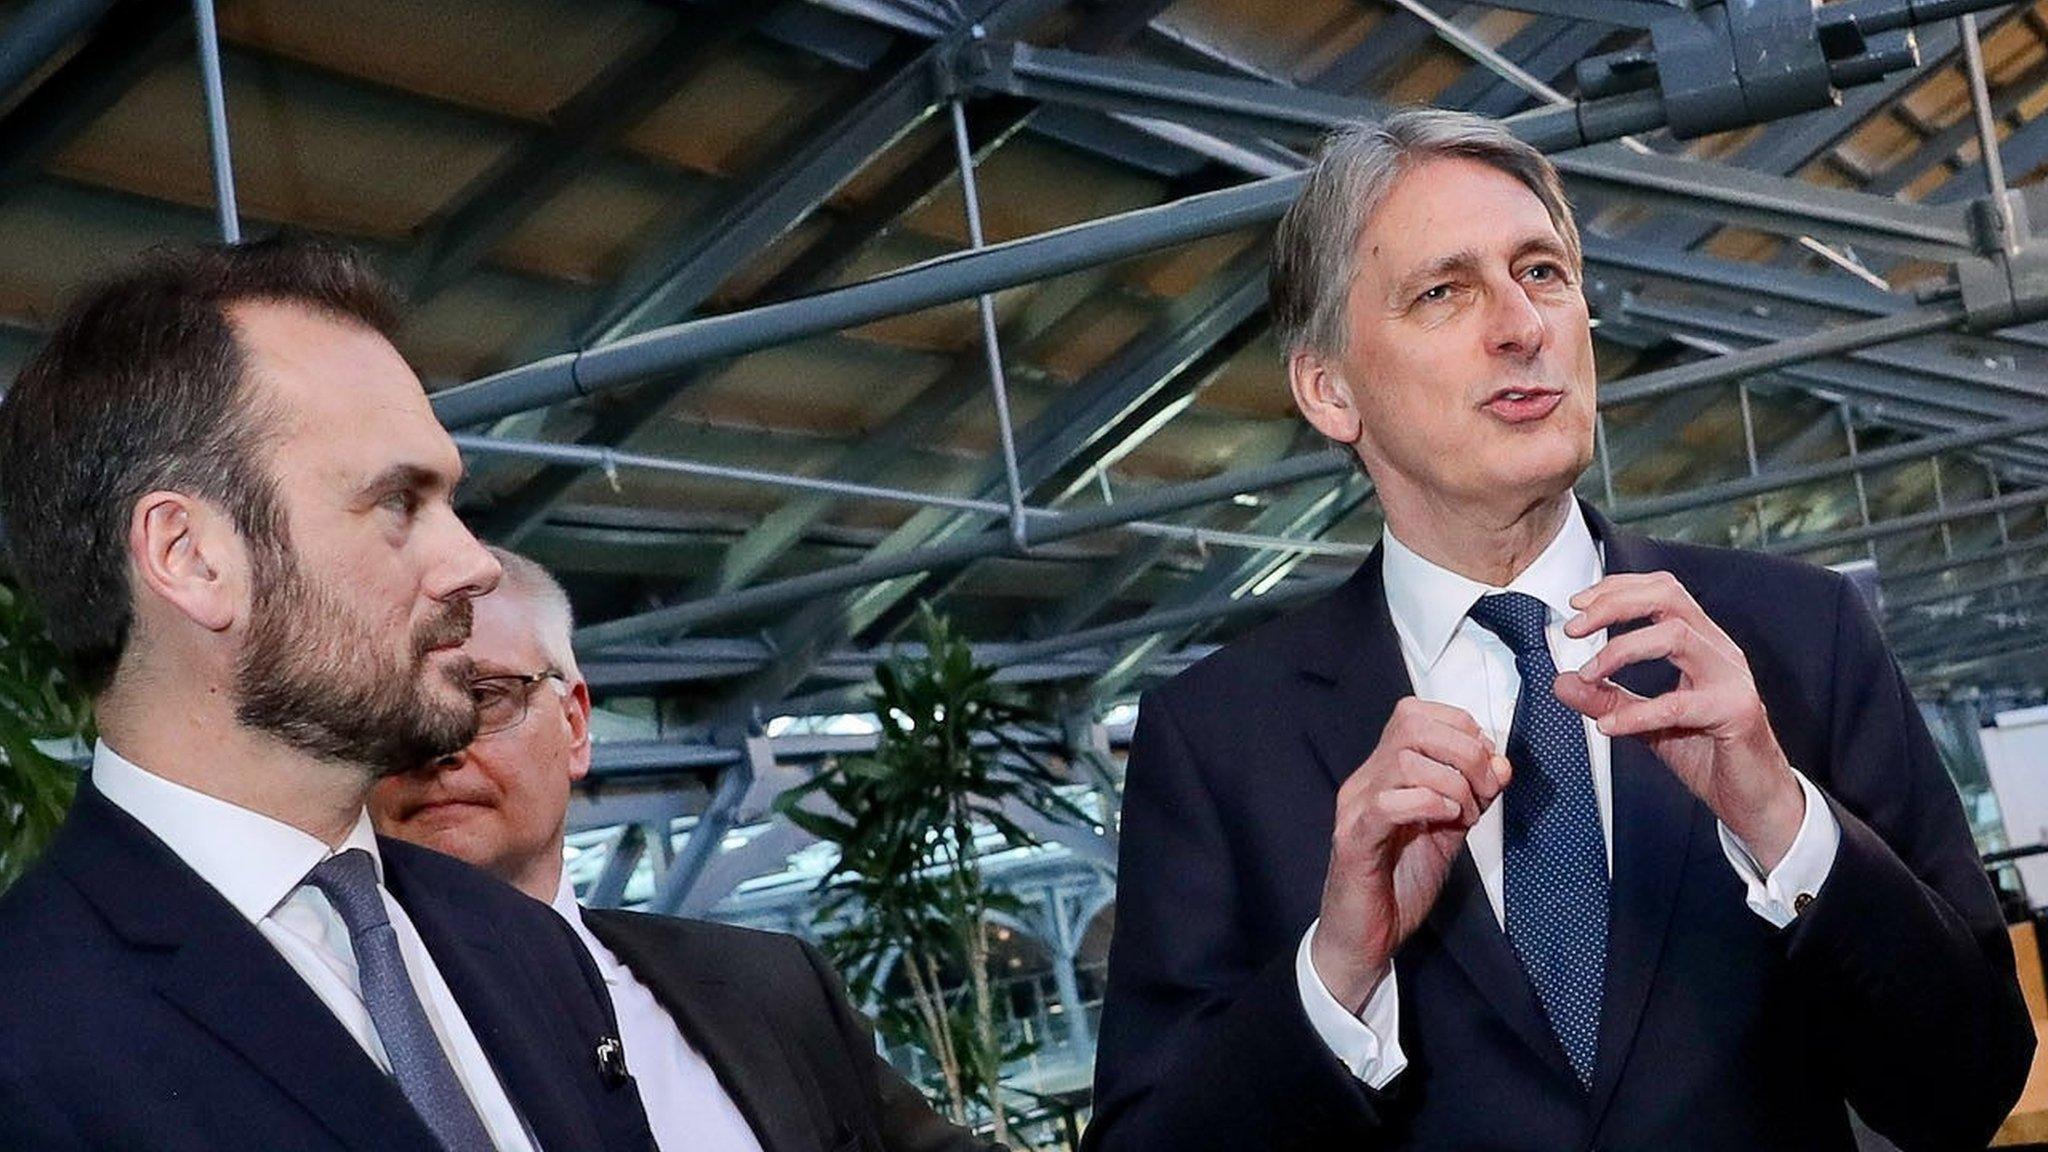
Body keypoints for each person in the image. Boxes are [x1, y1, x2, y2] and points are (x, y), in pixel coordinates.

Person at [1085, 109, 2035, 1151]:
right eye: (1441, 291)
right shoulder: (1216, 740)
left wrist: (1781, 819)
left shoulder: (1796, 636)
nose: (1518, 323)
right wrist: (1334, 973)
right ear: (1328, 390)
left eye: (1540, 271)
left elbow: (1969, 1085)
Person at [0, 240, 655, 1152]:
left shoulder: (527, 947)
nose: (472, 564)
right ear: (191, 557)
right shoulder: (28, 1041)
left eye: (451, 502)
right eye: (399, 502)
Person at [370, 546, 1001, 1152]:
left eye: (484, 697)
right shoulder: (319, 1046)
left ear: (575, 725)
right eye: (395, 715)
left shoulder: (769, 988)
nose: (437, 746)